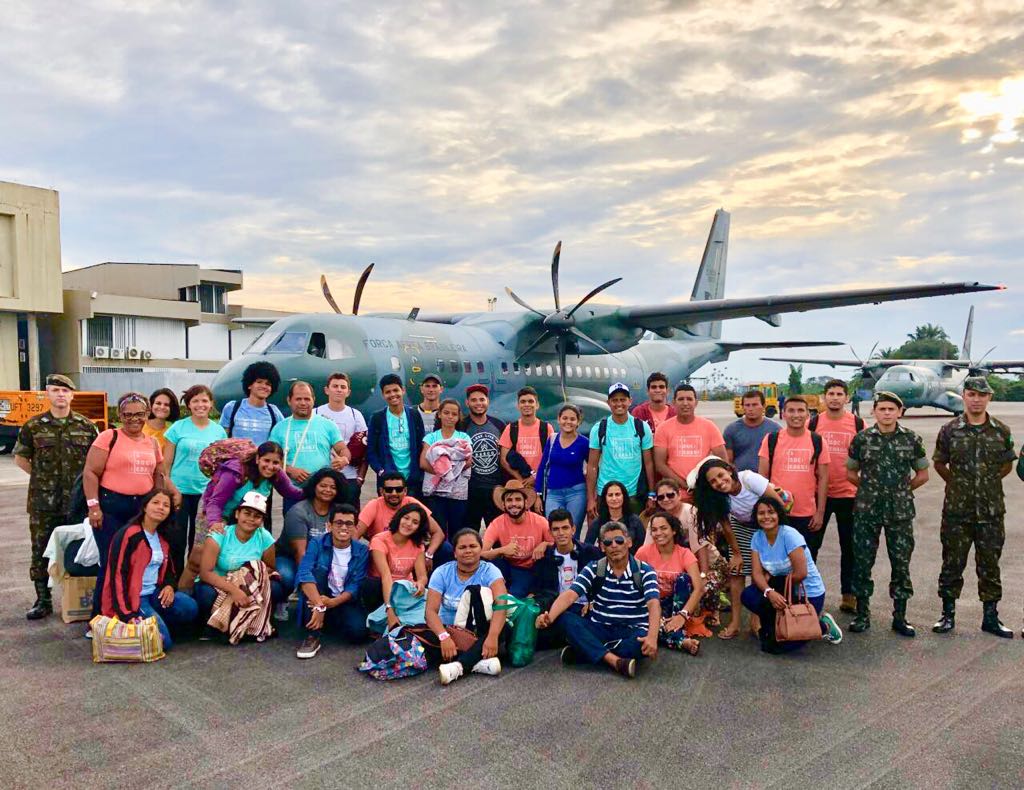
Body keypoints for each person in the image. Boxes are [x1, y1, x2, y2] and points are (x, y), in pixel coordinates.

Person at [932, 377, 1016, 638]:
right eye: (971, 394)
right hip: (957, 512)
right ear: (964, 396)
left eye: (982, 395)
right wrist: (958, 484)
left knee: (990, 565)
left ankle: (991, 617)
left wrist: (987, 483)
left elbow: (1007, 464)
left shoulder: (1001, 430)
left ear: (989, 397)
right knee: (952, 563)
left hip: (991, 513)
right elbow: (939, 462)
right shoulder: (949, 430)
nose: (976, 400)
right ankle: (947, 615)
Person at [13, 374, 99, 619]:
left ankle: (82, 597)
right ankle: (43, 600)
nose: (60, 395)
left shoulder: (86, 426)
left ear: (72, 395)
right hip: (44, 502)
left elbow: (96, 463)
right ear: (47, 394)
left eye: (65, 391)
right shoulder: (33, 426)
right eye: (55, 390)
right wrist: (43, 478)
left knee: (81, 549)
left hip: (78, 502)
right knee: (40, 550)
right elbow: (21, 458)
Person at [845, 391, 929, 637]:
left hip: (899, 512)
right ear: (874, 411)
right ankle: (862, 614)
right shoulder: (861, 439)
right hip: (867, 510)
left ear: (900, 412)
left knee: (901, 563)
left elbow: (923, 474)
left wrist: (901, 491)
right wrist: (869, 491)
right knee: (862, 562)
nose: (886, 413)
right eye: (882, 409)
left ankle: (900, 617)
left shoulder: (911, 439)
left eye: (891, 409)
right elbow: (851, 473)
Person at [537, 521, 660, 679]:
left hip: (632, 629)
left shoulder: (645, 571)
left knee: (641, 644)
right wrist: (549, 617)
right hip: (600, 627)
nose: (614, 545)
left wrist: (652, 637)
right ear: (602, 547)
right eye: (608, 542)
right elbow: (570, 594)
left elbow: (653, 604)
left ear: (629, 542)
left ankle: (585, 652)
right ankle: (614, 661)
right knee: (565, 618)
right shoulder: (595, 568)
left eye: (619, 540)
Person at [82, 392, 166, 617]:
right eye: (127, 415)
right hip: (111, 507)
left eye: (139, 414)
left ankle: (128, 612)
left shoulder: (152, 443)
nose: (133, 419)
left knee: (136, 561)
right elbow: (90, 472)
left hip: (140, 510)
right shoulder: (109, 437)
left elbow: (159, 475)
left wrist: (161, 502)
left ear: (147, 414)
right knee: (111, 562)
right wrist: (93, 507)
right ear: (119, 415)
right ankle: (100, 617)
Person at [182, 441, 306, 593]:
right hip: (217, 512)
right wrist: (215, 523)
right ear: (257, 459)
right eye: (266, 461)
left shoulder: (276, 474)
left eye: (275, 463)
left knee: (246, 560)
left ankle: (238, 592)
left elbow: (291, 492)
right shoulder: (236, 471)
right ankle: (185, 595)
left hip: (248, 516)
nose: (270, 466)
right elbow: (215, 502)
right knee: (198, 560)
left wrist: (316, 490)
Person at [693, 458, 786, 639]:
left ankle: (756, 621)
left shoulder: (749, 479)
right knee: (736, 572)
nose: (719, 482)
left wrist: (776, 540)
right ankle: (735, 623)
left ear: (729, 470)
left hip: (766, 526)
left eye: (721, 475)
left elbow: (778, 506)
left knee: (762, 573)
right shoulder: (717, 497)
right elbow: (727, 527)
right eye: (713, 481)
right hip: (741, 526)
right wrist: (736, 554)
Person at [99, 487, 198, 649]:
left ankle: (158, 622)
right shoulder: (129, 534)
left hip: (154, 593)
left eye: (166, 505)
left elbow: (169, 570)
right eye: (156, 503)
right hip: (134, 599)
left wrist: (168, 586)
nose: (161, 508)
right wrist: (126, 614)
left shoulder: (163, 537)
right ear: (145, 507)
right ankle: (148, 624)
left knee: (189, 607)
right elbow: (117, 576)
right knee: (163, 642)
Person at [741, 496, 842, 652]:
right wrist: (770, 592)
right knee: (748, 595)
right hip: (781, 588)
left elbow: (801, 573)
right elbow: (757, 574)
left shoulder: (789, 535)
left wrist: (776, 589)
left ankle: (823, 625)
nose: (766, 516)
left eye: (771, 512)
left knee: (782, 645)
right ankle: (777, 623)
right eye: (761, 513)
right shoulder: (757, 537)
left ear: (779, 514)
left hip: (806, 592)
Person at [424, 529, 508, 685]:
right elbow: (430, 611)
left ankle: (458, 667)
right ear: (455, 553)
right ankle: (479, 663)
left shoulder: (490, 570)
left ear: (481, 549)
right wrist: (444, 637)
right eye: (462, 547)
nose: (468, 550)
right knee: (425, 639)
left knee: (503, 628)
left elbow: (501, 603)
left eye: (473, 546)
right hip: (448, 631)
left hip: (478, 631)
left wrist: (492, 636)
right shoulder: (442, 572)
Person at [810, 379, 865, 612]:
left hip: (849, 494)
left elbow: (865, 455)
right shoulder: (814, 423)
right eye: (830, 393)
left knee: (849, 547)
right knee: (811, 546)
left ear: (847, 398)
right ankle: (807, 592)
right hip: (818, 494)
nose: (834, 398)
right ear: (824, 397)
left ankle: (848, 594)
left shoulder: (857, 423)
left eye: (839, 394)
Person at [194, 491, 286, 626]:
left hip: (249, 583)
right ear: (237, 514)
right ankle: (213, 625)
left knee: (276, 588)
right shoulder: (219, 534)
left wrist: (245, 581)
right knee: (206, 594)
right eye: (247, 513)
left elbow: (270, 567)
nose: (251, 519)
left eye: (257, 516)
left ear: (262, 520)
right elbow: (205, 573)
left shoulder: (265, 537)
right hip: (219, 582)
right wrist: (234, 589)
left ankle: (255, 622)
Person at [163, 384, 228, 568]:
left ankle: (193, 577)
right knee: (176, 539)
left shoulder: (219, 431)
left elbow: (221, 465)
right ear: (189, 405)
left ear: (211, 404)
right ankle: (173, 578)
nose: (200, 405)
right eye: (195, 401)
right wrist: (169, 489)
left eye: (204, 401)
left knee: (198, 542)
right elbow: (166, 464)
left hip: (206, 494)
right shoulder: (177, 428)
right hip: (179, 492)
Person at [757, 395, 830, 557]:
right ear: (783, 414)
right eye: (791, 411)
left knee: (805, 560)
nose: (796, 415)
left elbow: (823, 479)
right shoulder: (771, 440)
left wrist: (820, 513)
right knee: (776, 561)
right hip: (776, 513)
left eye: (800, 411)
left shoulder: (818, 441)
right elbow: (762, 478)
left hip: (806, 514)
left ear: (808, 414)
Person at [295, 504, 370, 659]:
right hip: (319, 596)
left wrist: (333, 603)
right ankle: (313, 635)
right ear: (329, 526)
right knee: (317, 573)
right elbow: (304, 572)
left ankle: (330, 619)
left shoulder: (362, 550)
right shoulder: (317, 543)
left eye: (349, 524)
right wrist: (320, 605)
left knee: (358, 633)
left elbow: (356, 584)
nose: (344, 527)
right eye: (339, 523)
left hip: (342, 599)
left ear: (355, 528)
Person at [274, 468, 348, 617]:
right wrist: (308, 581)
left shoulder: (338, 511)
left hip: (324, 557)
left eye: (333, 487)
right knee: (287, 577)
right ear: (314, 486)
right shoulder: (298, 512)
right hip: (290, 557)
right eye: (323, 486)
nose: (327, 490)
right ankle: (282, 600)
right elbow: (300, 553)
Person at [268, 381, 348, 508]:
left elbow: (343, 449)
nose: (303, 403)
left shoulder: (328, 424)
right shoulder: (280, 428)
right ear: (289, 400)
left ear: (313, 400)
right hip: (293, 492)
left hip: (323, 492)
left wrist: (343, 459)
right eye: (298, 399)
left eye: (307, 399)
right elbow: (270, 458)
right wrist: (289, 470)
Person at [531, 509, 602, 648]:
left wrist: (594, 601)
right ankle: (576, 641)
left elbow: (603, 582)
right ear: (550, 532)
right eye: (556, 529)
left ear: (573, 529)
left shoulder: (591, 552)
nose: (561, 533)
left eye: (565, 528)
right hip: (557, 609)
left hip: (586, 608)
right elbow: (539, 590)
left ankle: (575, 642)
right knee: (538, 638)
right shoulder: (544, 557)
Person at [635, 512, 703, 654]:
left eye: (663, 528)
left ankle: (675, 624)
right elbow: (633, 582)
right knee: (646, 623)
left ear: (673, 530)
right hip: (651, 602)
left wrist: (682, 615)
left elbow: (698, 588)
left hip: (676, 604)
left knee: (684, 579)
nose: (658, 533)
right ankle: (680, 640)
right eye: (654, 530)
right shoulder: (643, 553)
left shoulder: (685, 554)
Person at [587, 382, 655, 520]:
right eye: (615, 400)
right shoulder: (599, 428)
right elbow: (592, 466)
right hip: (606, 493)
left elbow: (649, 463)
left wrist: (651, 494)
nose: (619, 404)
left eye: (623, 399)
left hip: (634, 494)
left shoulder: (641, 427)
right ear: (608, 402)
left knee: (634, 531)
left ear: (630, 401)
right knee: (606, 532)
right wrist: (591, 499)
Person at [356, 472, 452, 566]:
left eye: (399, 489)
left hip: (412, 552)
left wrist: (429, 555)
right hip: (384, 553)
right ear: (381, 491)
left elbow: (438, 533)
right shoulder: (374, 505)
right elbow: (356, 535)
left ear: (405, 491)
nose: (394, 493)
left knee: (445, 549)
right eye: (389, 490)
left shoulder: (412, 503)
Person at [653, 383, 726, 503]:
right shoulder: (663, 429)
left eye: (689, 399)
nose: (685, 403)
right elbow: (660, 465)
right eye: (681, 399)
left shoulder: (709, 426)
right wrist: (685, 485)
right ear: (674, 402)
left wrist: (705, 484)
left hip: (704, 493)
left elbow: (722, 460)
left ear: (696, 402)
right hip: (674, 496)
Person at [482, 481, 554, 597]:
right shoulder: (497, 523)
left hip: (533, 568)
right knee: (492, 563)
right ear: (504, 504)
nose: (514, 504)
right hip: (509, 566)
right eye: (509, 500)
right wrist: (502, 550)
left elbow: (558, 545)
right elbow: (482, 553)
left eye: (518, 499)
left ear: (526, 503)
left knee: (516, 594)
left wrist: (545, 544)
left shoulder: (540, 521)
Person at [360, 503, 430, 622]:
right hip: (381, 587)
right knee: (372, 586)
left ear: (419, 527)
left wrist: (421, 583)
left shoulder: (418, 545)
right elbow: (386, 576)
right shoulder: (379, 540)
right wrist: (389, 608)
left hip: (405, 589)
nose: (409, 524)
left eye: (415, 522)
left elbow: (422, 576)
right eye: (406, 518)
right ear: (399, 518)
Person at [367, 374, 427, 498]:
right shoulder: (377, 418)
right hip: (388, 483)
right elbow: (371, 451)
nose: (393, 394)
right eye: (388, 392)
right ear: (383, 395)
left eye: (396, 390)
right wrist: (381, 471)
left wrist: (419, 472)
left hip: (413, 481)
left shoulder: (414, 415)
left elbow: (421, 446)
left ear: (403, 390)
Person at [420, 398, 473, 538]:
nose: (450, 417)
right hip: (436, 495)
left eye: (454, 414)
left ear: (458, 417)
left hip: (457, 494)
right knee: (438, 531)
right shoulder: (431, 437)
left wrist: (448, 468)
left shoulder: (464, 437)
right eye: (446, 413)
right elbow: (423, 463)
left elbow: (468, 460)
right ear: (439, 414)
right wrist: (444, 473)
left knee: (457, 531)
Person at [314, 372, 368, 507]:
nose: (339, 390)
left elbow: (365, 449)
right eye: (335, 386)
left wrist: (360, 478)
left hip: (348, 477)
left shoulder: (356, 415)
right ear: (327, 390)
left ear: (348, 392)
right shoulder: (315, 413)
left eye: (343, 387)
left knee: (348, 516)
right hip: (321, 477)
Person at [460, 384, 506, 530]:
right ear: (467, 403)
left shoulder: (499, 425)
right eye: (474, 400)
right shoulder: (462, 426)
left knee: (498, 534)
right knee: (469, 533)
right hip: (471, 491)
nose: (478, 403)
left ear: (488, 401)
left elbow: (506, 455)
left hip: (495, 490)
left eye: (482, 399)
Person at [536, 403, 590, 529]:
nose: (568, 422)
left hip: (576, 493)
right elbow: (543, 467)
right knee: (553, 530)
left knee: (572, 531)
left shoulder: (584, 443)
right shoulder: (552, 439)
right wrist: (538, 494)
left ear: (578, 422)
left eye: (572, 419)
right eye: (565, 418)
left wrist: (592, 495)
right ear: (558, 419)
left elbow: (593, 467)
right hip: (553, 493)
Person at [219, 360, 284, 444]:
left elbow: (282, 438)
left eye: (268, 384)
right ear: (249, 385)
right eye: (259, 382)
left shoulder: (274, 413)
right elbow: (221, 440)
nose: (264, 386)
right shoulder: (232, 408)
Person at [499, 386, 553, 485]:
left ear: (537, 405)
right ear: (518, 406)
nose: (527, 404)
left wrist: (536, 477)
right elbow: (503, 460)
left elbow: (551, 458)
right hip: (519, 484)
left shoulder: (547, 428)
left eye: (530, 401)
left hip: (541, 482)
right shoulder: (511, 428)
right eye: (523, 402)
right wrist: (520, 480)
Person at [723, 389, 779, 473]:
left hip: (767, 479)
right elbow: (728, 461)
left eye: (755, 405)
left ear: (764, 406)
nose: (751, 409)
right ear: (743, 407)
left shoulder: (775, 430)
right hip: (739, 478)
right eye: (747, 405)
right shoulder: (731, 430)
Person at [584, 480, 646, 551]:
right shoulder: (598, 522)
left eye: (617, 494)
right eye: (610, 495)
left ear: (623, 496)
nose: (614, 498)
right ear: (605, 498)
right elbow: (587, 547)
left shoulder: (635, 520)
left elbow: (643, 546)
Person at [143, 387, 179, 452]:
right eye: (158, 403)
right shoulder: (140, 426)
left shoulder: (171, 433)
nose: (162, 407)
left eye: (166, 405)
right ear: (151, 405)